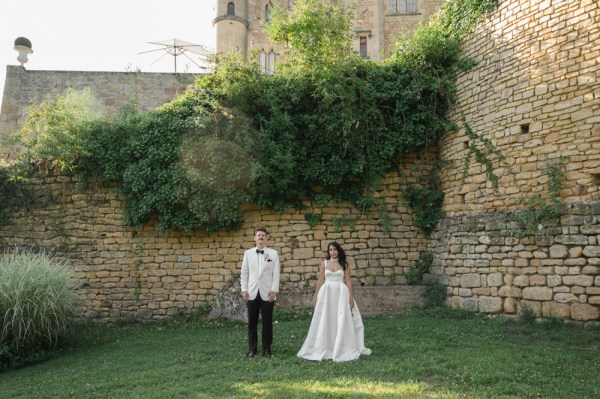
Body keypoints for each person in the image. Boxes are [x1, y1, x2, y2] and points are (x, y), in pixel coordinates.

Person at [297, 242, 371, 362]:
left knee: (341, 318)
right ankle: (326, 346)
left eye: (335, 249)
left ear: (339, 251)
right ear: (328, 252)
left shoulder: (344, 264)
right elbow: (320, 281)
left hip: (341, 294)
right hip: (326, 295)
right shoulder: (324, 264)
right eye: (330, 250)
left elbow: (348, 282)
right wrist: (316, 295)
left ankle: (342, 346)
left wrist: (351, 297)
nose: (332, 252)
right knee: (327, 318)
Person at [240, 227, 280, 358]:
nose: (261, 237)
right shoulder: (248, 253)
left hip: (267, 292)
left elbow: (276, 274)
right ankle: (252, 349)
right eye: (258, 235)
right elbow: (244, 273)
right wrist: (244, 289)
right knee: (252, 322)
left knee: (267, 322)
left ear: (266, 238)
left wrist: (274, 290)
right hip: (252, 292)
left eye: (263, 235)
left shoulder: (273, 254)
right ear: (255, 238)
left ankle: (267, 348)